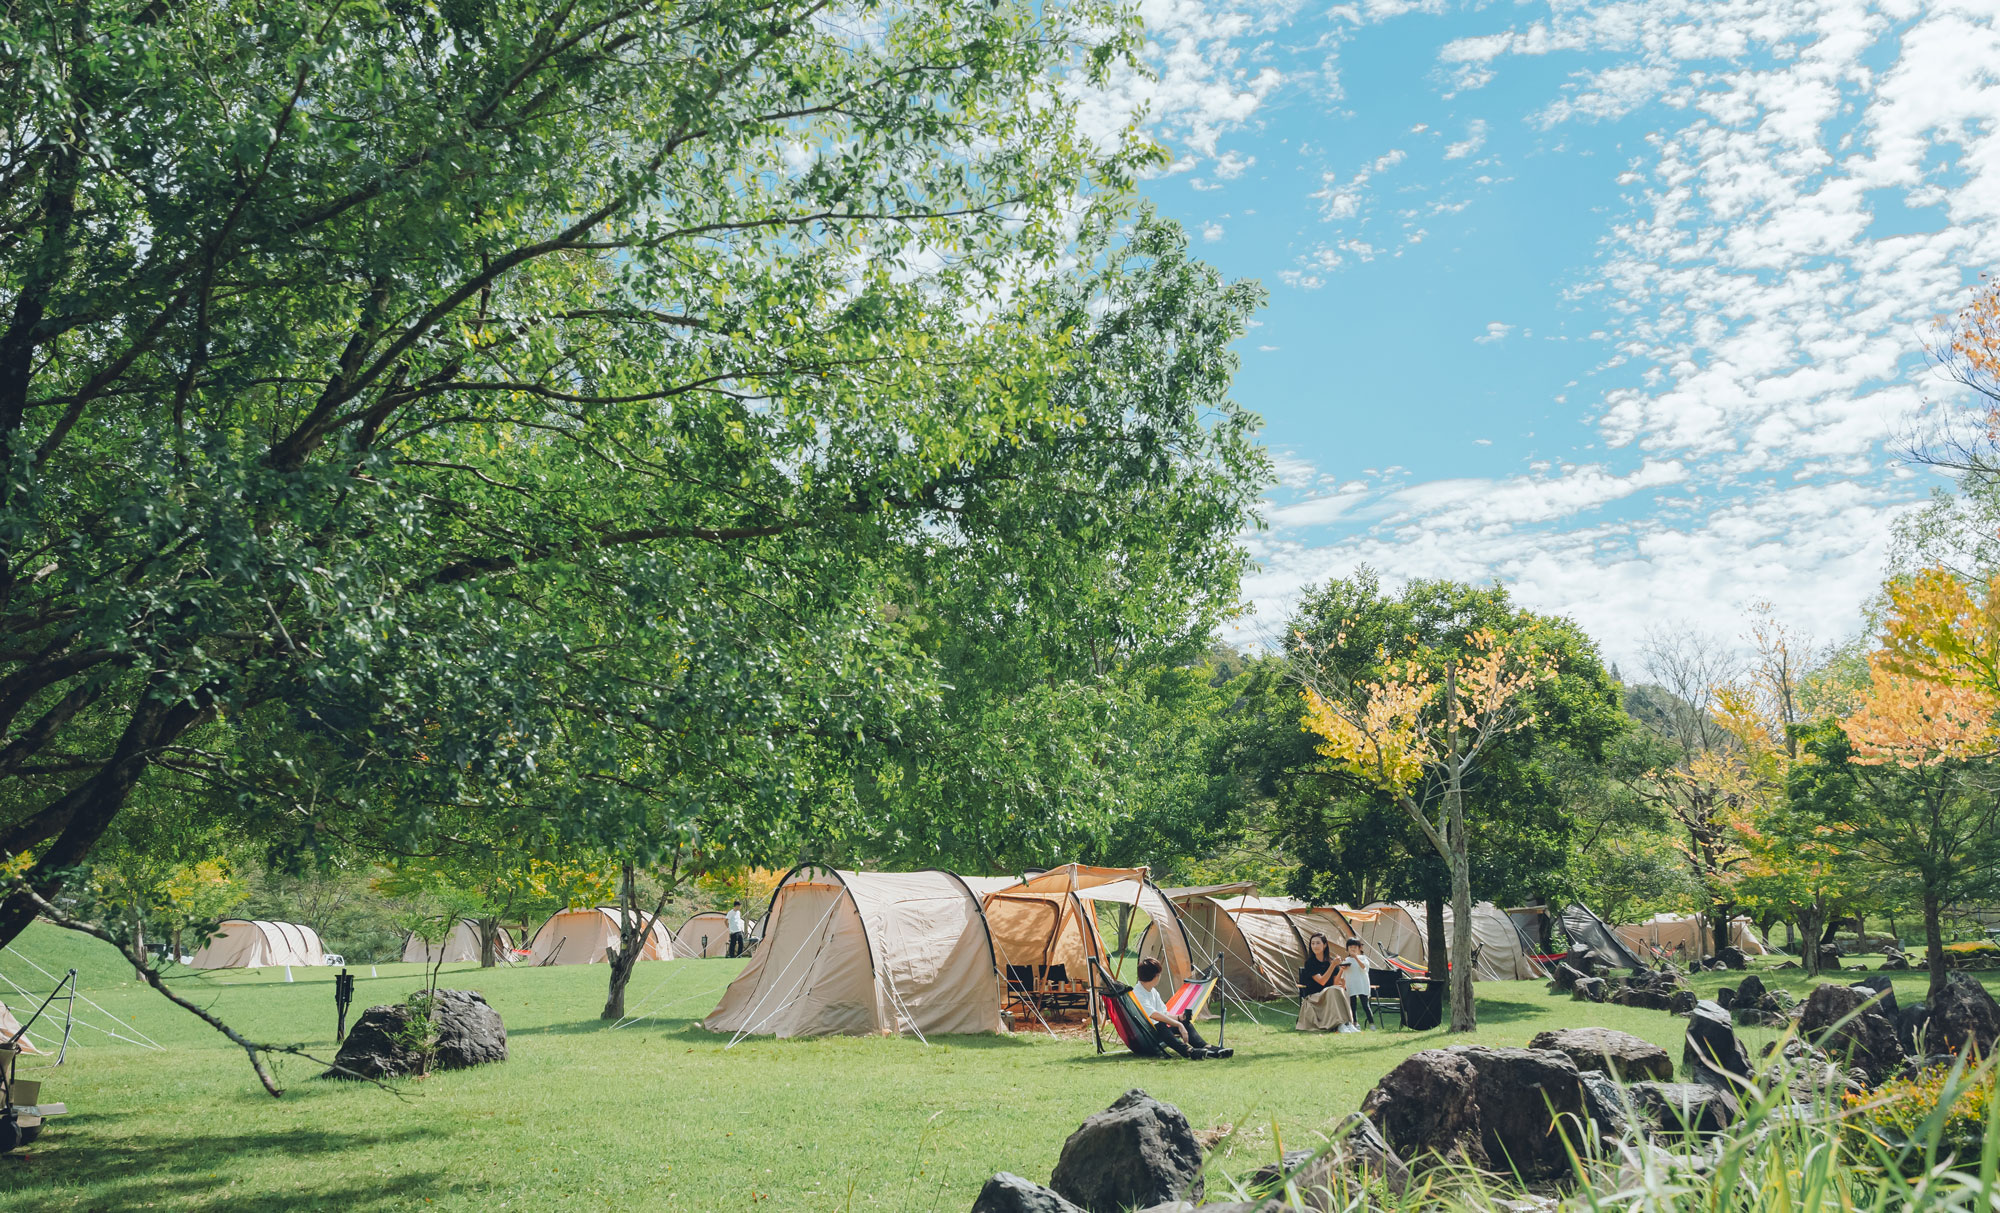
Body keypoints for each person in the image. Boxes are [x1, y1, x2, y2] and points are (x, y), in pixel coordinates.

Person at [1133, 958, 1225, 1058]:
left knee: (1184, 1022)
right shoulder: (1138, 993)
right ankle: (1188, 1051)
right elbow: (1154, 1015)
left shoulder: (1153, 991)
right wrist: (1178, 1024)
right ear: (1154, 976)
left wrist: (1179, 1018)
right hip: (1146, 1036)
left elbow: (1163, 1014)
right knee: (1160, 1024)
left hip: (1157, 1031)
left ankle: (1206, 1048)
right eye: (1158, 974)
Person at [1295, 932, 1355, 1032]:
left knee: (1339, 989)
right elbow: (1322, 981)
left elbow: (1336, 984)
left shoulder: (1330, 961)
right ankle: (1339, 1024)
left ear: (1325, 945)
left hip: (1329, 994)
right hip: (1315, 997)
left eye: (1318, 943)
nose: (1315, 946)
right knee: (1332, 990)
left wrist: (1341, 969)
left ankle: (1347, 1023)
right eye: (1312, 943)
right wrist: (1333, 965)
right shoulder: (1310, 963)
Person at [1339, 937, 1376, 1029]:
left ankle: (1372, 1023)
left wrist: (1355, 957)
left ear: (1359, 948)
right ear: (1347, 948)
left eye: (1355, 946)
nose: (1353, 948)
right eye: (1350, 946)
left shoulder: (1363, 958)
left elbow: (1364, 968)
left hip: (1362, 984)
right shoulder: (1346, 960)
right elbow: (1343, 975)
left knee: (1365, 1004)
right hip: (1351, 985)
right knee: (1353, 1005)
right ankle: (1355, 1023)